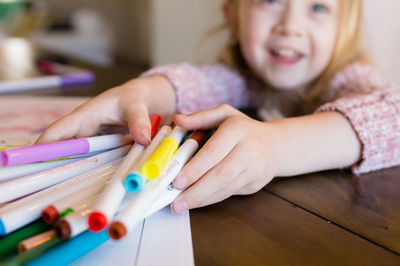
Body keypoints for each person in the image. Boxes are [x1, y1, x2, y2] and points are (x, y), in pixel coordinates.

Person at [37, 0, 400, 214]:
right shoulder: (245, 76)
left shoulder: (351, 77)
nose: (291, 26)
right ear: (232, 14)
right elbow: (194, 84)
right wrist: (135, 94)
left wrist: (275, 146)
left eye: (318, 6)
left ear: (345, 29)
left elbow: (392, 117)